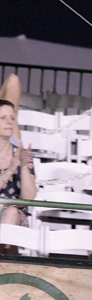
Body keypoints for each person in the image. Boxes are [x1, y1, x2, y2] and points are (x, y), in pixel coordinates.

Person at [0, 99, 36, 255]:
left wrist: (22, 167)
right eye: (3, 118)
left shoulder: (21, 155)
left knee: (12, 213)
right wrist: (9, 172)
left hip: (12, 215)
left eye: (12, 118)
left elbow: (29, 198)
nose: (9, 122)